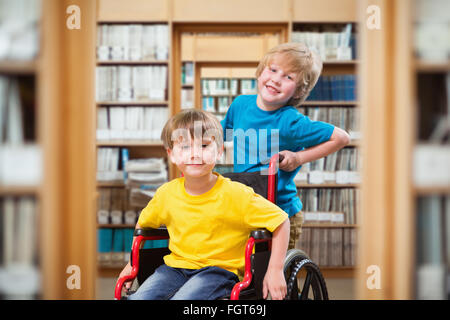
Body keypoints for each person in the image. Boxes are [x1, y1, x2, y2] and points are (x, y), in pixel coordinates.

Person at [118, 109, 290, 300]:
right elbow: (143, 224)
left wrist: (275, 270)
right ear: (171, 154)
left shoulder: (237, 194)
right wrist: (131, 264)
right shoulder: (166, 194)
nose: (195, 154)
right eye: (185, 147)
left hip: (218, 271)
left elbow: (281, 221)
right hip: (175, 268)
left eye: (204, 145)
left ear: (219, 152)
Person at [221, 42, 350, 249]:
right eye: (273, 70)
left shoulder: (290, 121)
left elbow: (341, 138)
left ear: (298, 91)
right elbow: (219, 132)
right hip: (245, 206)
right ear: (261, 70)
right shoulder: (240, 105)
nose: (276, 80)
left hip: (278, 212)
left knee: (270, 273)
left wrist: (299, 158)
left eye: (288, 77)